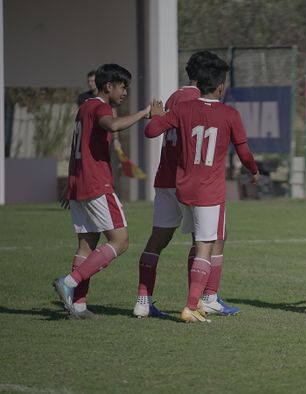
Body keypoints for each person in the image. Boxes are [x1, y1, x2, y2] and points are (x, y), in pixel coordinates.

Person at [145, 54, 260, 323]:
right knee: (206, 244)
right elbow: (244, 152)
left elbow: (151, 131)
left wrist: (157, 116)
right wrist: (253, 171)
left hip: (183, 189)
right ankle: (193, 305)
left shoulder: (183, 109)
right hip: (210, 191)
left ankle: (200, 301)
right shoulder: (229, 113)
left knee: (199, 243)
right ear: (220, 86)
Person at [53, 64, 153, 319]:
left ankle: (78, 305)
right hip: (97, 184)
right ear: (109, 86)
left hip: (80, 184)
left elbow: (80, 144)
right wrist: (144, 113)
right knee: (120, 241)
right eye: (123, 87)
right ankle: (70, 281)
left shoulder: (83, 107)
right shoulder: (99, 107)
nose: (125, 93)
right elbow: (112, 125)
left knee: (87, 245)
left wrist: (72, 184)